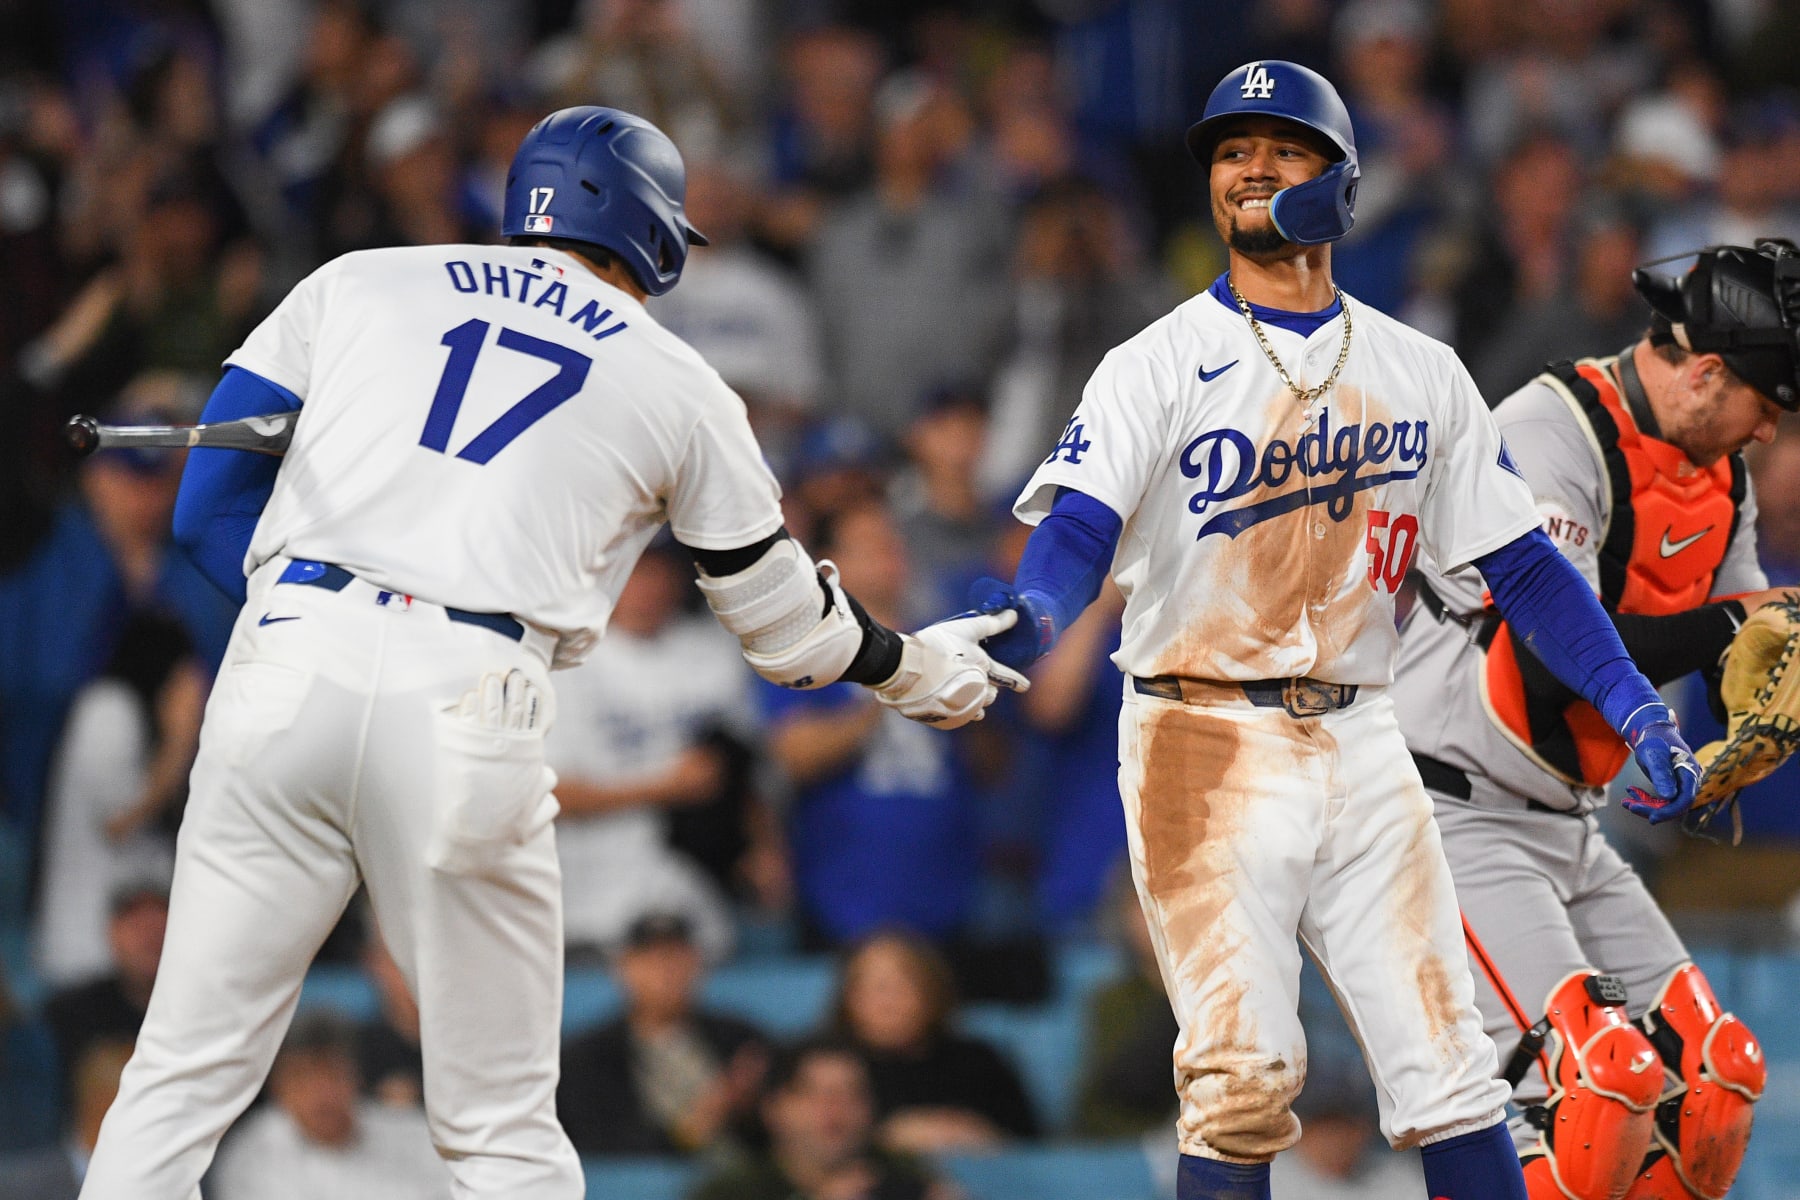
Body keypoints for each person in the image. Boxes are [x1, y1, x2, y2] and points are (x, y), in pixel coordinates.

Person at [79, 105, 1023, 1200]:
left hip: (288, 657)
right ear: (653, 236)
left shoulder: (360, 279)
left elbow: (204, 511)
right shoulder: (679, 380)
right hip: (469, 692)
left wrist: (325, 622)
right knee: (500, 1130)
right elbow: (788, 634)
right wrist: (910, 666)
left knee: (178, 1076)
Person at [963, 61, 1702, 1200]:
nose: (1250, 168)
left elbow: (1523, 567)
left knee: (1455, 1074)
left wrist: (1633, 700)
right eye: (1231, 151)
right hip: (1201, 737)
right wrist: (1042, 610)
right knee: (1241, 1084)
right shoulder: (1154, 363)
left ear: (1342, 182)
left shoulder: (1420, 371)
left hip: (1363, 734)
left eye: (1282, 148)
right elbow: (1079, 526)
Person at [1392, 240, 1800, 1199]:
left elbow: (1741, 650)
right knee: (1602, 1084)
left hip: (1572, 827)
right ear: (1706, 372)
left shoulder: (1720, 476)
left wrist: (1765, 698)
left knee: (1718, 1081)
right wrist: (1744, 619)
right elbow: (1553, 651)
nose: (1769, 433)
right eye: (1767, 405)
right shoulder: (1548, 431)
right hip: (1450, 813)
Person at [557, 911, 770, 1157]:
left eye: (676, 956)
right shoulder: (586, 1057)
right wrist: (691, 1129)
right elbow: (597, 1143)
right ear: (623, 967)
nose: (666, 970)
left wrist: (746, 1108)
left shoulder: (741, 1039)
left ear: (697, 963)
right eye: (651, 958)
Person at [828, 930, 1038, 1152]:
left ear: (932, 990)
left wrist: (978, 1135)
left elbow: (1032, 1147)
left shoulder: (979, 1062)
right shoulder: (826, 1064)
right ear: (848, 997)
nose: (889, 1001)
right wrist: (889, 1139)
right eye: (875, 986)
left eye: (903, 984)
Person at [206, 1013, 449, 1200]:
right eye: (303, 1077)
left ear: (356, 1076)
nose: (322, 1092)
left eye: (332, 1073)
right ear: (278, 1087)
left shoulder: (415, 1132)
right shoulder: (249, 1156)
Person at [685, 1036, 950, 1200]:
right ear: (773, 1108)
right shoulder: (731, 1191)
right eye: (815, 1094)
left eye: (852, 1093)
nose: (835, 1108)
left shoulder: (901, 1174)